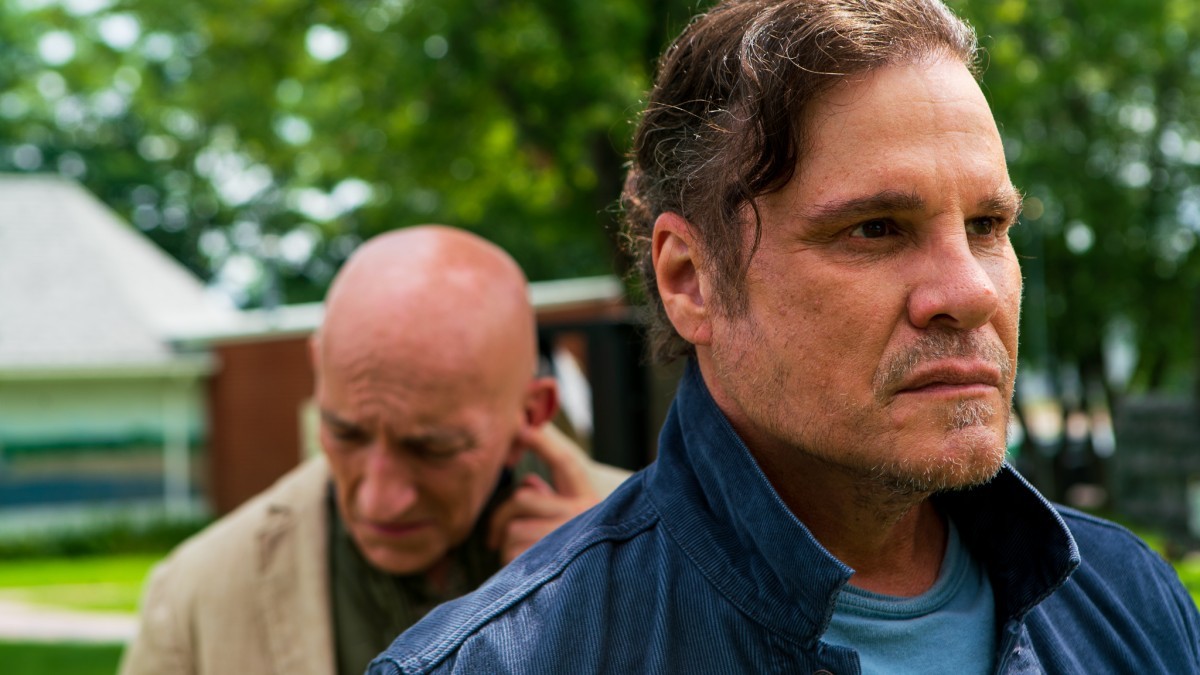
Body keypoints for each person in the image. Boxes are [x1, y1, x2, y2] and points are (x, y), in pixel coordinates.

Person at [369, 2, 1200, 673]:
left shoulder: (1131, 600)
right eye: (876, 228)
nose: (972, 292)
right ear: (690, 279)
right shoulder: (500, 659)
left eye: (987, 225)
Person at [119, 226, 630, 675]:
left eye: (433, 448)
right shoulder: (195, 595)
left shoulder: (657, 561)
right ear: (320, 371)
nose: (379, 501)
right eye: (346, 434)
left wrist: (611, 606)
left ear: (532, 413)